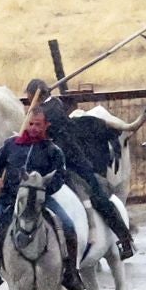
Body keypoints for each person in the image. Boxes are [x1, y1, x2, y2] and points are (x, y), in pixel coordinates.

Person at [20, 79, 135, 261]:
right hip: (52, 162)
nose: (27, 99)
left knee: (97, 196)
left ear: (36, 95)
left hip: (74, 162)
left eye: (28, 96)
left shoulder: (52, 110)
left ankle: (125, 238)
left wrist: (28, 128)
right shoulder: (45, 108)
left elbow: (40, 131)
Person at [0, 107, 81, 290]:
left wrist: (42, 190)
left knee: (68, 226)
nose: (33, 128)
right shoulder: (11, 145)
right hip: (9, 197)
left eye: (38, 125)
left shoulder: (53, 151)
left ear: (46, 125)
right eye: (30, 124)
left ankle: (71, 272)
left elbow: (60, 176)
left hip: (42, 199)